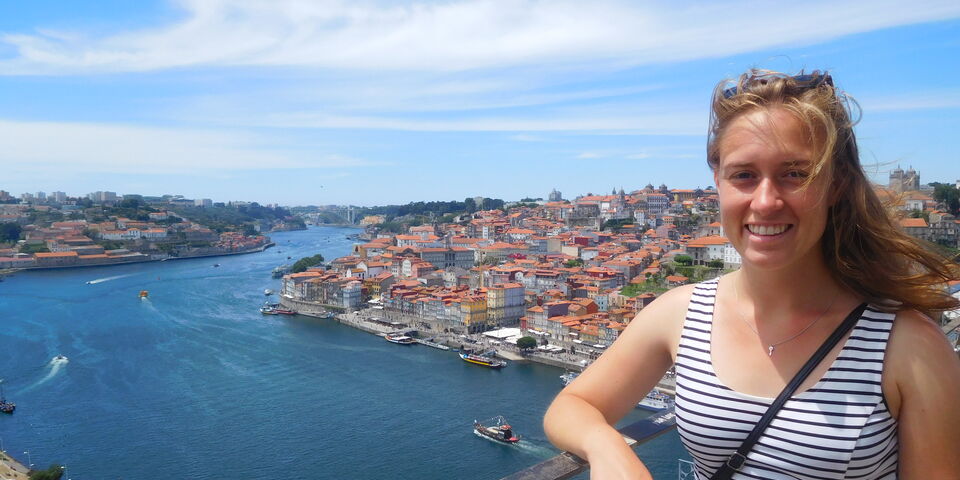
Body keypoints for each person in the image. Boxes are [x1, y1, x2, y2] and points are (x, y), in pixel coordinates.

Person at [543, 70, 960, 479]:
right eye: (744, 175)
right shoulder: (681, 314)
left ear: (836, 185)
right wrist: (608, 448)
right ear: (718, 183)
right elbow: (572, 406)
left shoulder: (908, 344)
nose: (765, 202)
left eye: (795, 174)